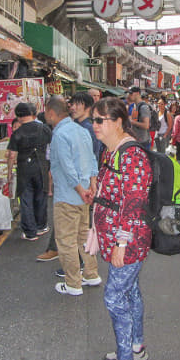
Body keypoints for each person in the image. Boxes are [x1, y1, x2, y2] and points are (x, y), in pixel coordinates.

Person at [91, 97, 152, 360]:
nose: (94, 126)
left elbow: (134, 203)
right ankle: (135, 347)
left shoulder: (132, 155)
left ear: (117, 122)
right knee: (131, 293)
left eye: (99, 121)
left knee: (115, 297)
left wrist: (121, 244)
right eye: (93, 120)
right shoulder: (110, 151)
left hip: (128, 240)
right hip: (116, 236)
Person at [45, 96, 100, 295]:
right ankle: (91, 274)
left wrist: (80, 190)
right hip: (85, 193)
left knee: (66, 241)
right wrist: (91, 186)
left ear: (51, 113)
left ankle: (73, 283)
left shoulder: (59, 135)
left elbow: (67, 168)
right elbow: (94, 159)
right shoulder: (82, 130)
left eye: (46, 112)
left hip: (69, 196)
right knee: (83, 237)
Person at [6, 103, 52, 241]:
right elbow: (52, 147)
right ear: (33, 113)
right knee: (41, 195)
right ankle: (41, 226)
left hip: (24, 167)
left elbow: (12, 155)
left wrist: (9, 172)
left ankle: (30, 232)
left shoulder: (17, 133)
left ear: (18, 116)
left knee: (26, 199)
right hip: (42, 166)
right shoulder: (44, 128)